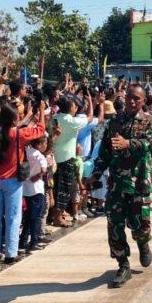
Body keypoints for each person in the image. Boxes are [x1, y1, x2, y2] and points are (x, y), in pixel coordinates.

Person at [87, 85, 152, 288]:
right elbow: (105, 152)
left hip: (139, 183)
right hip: (117, 184)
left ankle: (143, 242)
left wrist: (129, 143)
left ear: (143, 101)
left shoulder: (150, 120)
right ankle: (123, 265)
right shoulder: (115, 121)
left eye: (137, 99)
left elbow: (150, 143)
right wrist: (95, 174)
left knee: (141, 224)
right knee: (114, 225)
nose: (132, 102)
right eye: (129, 98)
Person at [0, 102, 45, 263]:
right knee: (13, 217)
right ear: (14, 119)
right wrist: (41, 111)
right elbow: (40, 130)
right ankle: (11, 253)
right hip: (12, 182)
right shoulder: (19, 134)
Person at [50, 94, 93, 227]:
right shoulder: (72, 121)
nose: (76, 108)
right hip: (67, 159)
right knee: (64, 190)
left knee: (54, 188)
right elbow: (90, 118)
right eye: (75, 106)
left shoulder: (54, 118)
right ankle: (57, 218)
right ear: (70, 108)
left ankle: (55, 215)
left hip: (53, 159)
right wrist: (90, 101)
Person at [20, 135, 48, 253]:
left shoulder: (26, 152)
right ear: (40, 144)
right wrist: (38, 176)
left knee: (28, 216)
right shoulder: (39, 156)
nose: (46, 145)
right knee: (36, 217)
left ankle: (23, 240)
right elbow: (44, 169)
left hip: (25, 188)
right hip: (36, 189)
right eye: (45, 143)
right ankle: (34, 242)